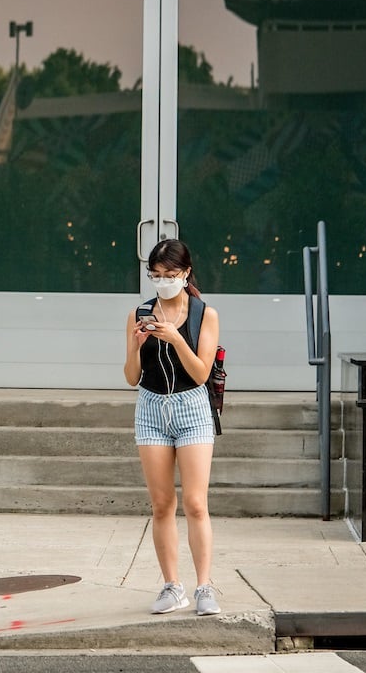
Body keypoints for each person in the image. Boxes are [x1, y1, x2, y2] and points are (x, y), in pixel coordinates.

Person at [123, 238, 221, 616]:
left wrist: (176, 337)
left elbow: (200, 374)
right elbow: (132, 376)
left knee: (196, 503)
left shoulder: (204, 314)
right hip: (150, 407)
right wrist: (137, 345)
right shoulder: (139, 313)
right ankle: (171, 586)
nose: (162, 282)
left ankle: (204, 587)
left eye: (170, 275)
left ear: (186, 273)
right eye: (156, 275)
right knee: (162, 503)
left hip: (191, 407)